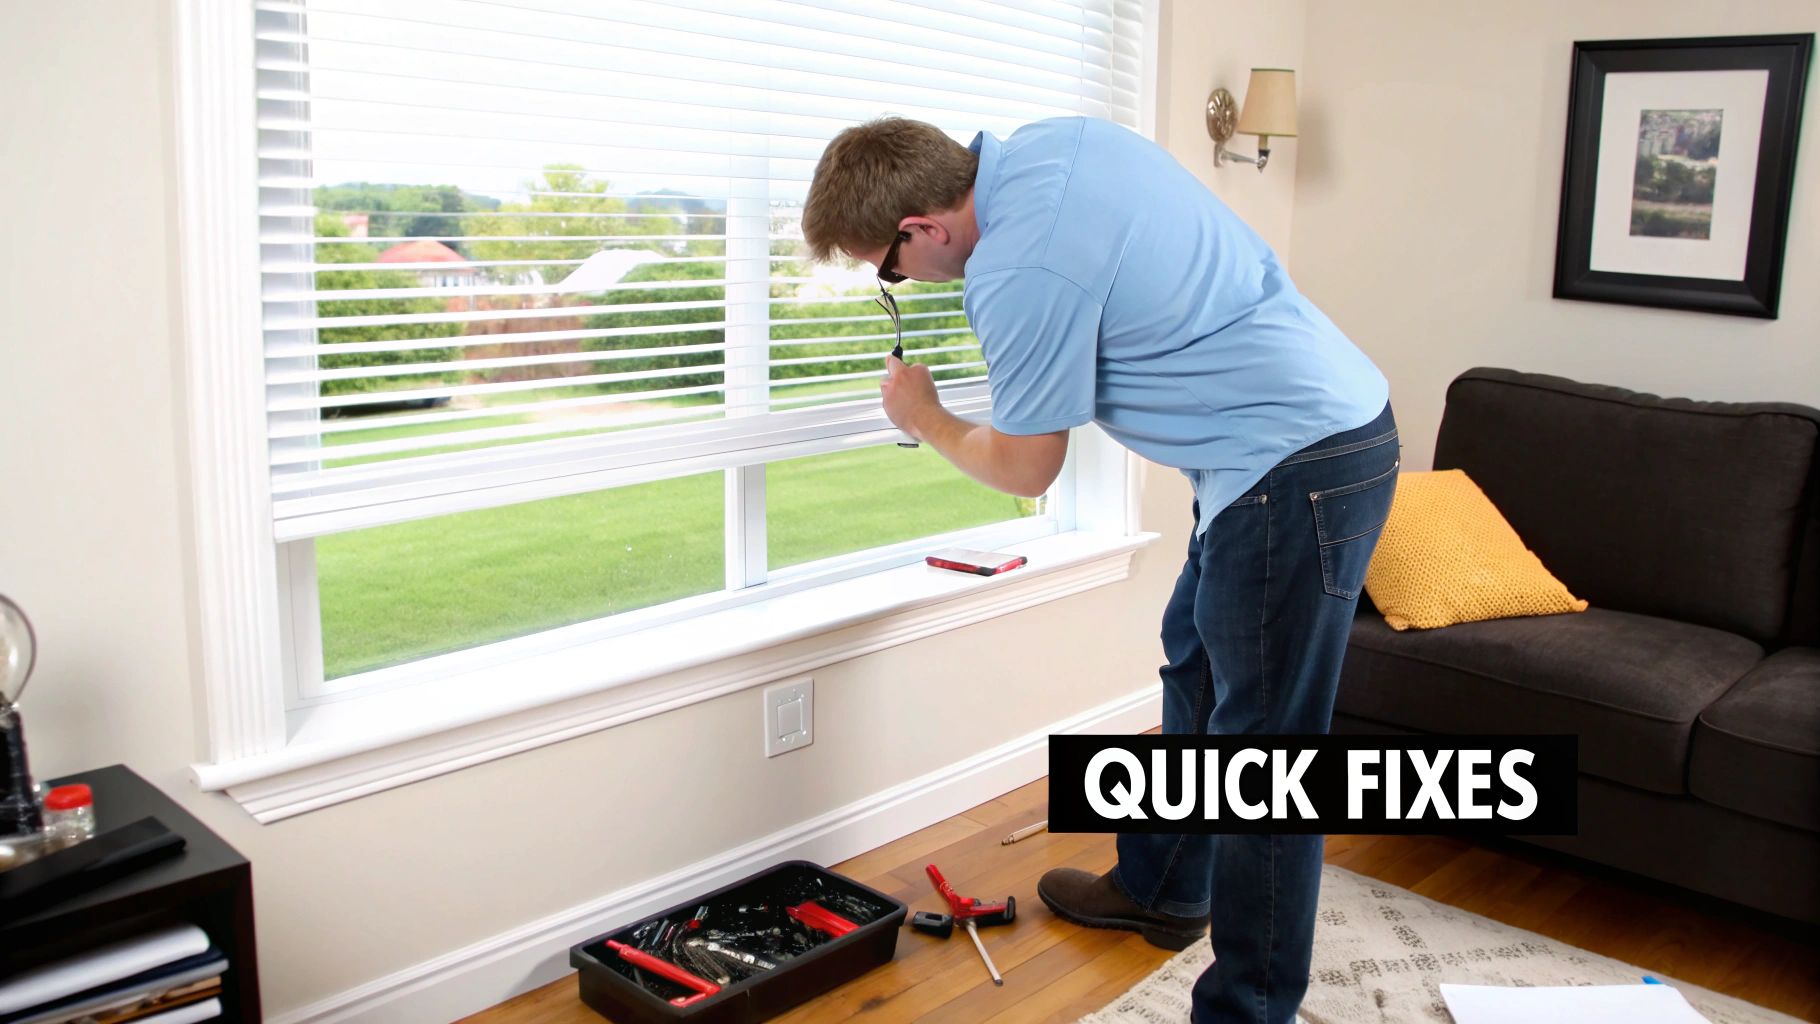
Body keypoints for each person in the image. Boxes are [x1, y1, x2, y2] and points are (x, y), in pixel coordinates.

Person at [801, 115, 1396, 1024]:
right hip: (1280, 450)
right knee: (1193, 664)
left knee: (1266, 757)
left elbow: (1026, 469)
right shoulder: (1062, 144)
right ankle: (1160, 886)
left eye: (885, 266)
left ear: (922, 227)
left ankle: (1247, 1008)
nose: (897, 282)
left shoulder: (1017, 271)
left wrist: (925, 417)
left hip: (1293, 466)